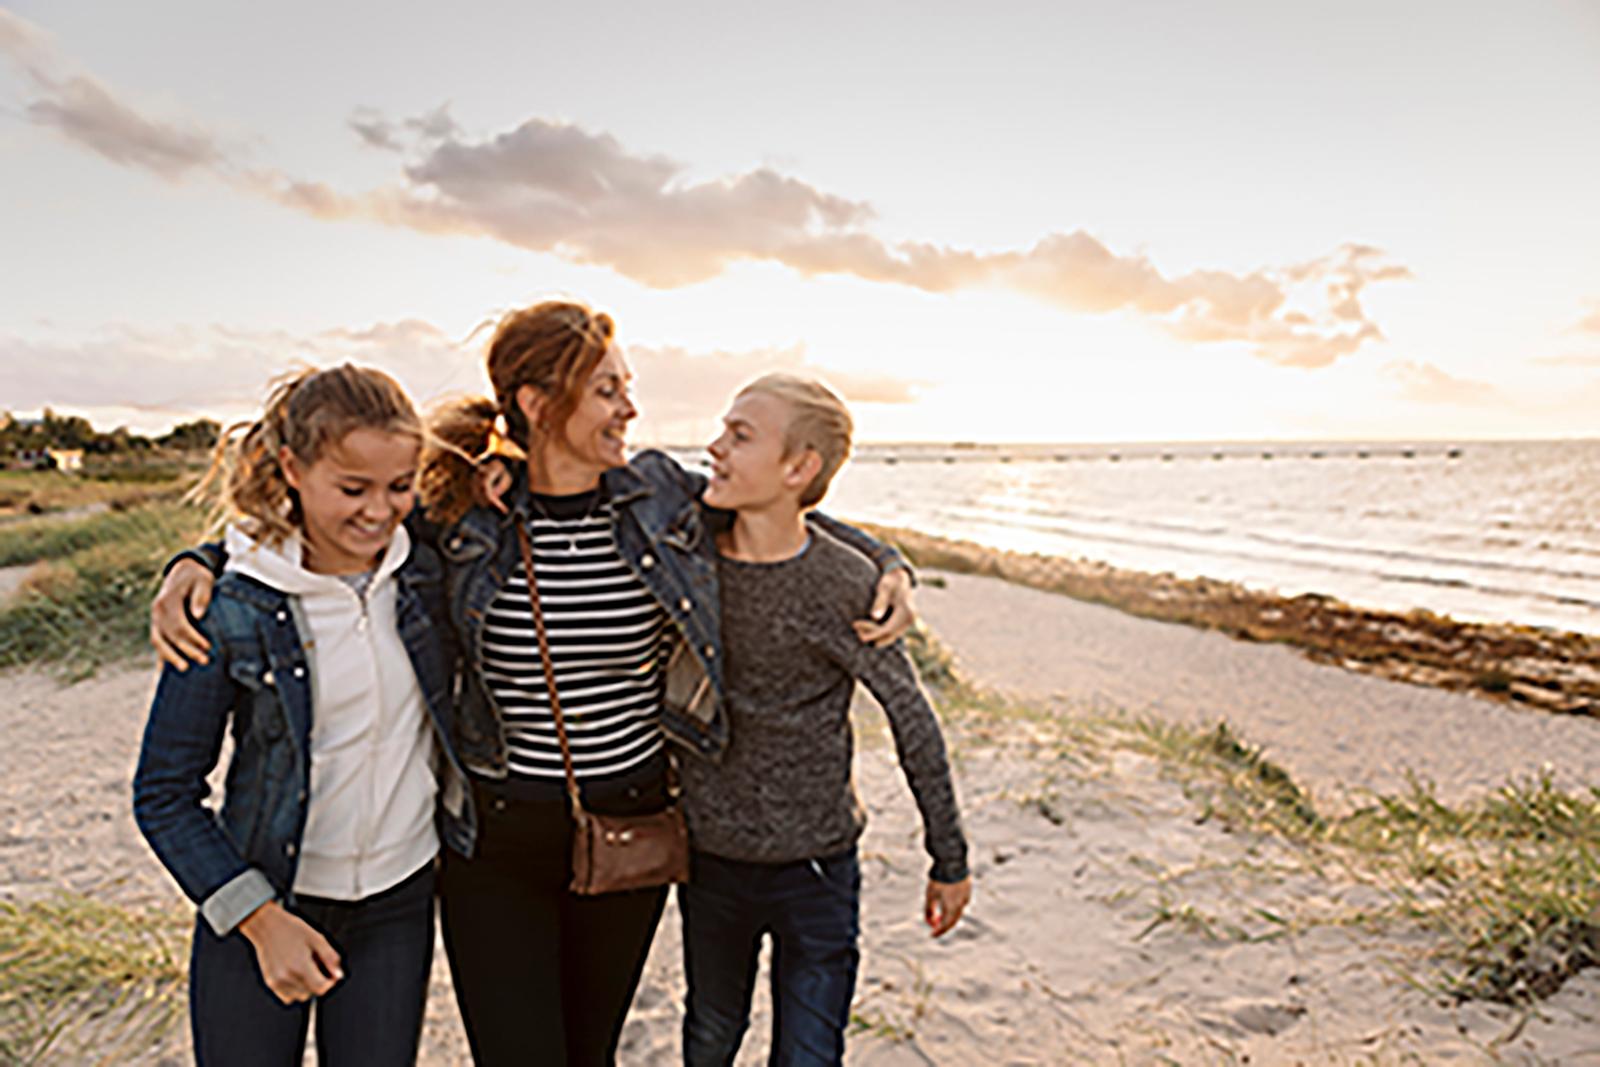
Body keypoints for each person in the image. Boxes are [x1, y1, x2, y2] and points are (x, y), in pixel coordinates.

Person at [149, 301, 918, 1066]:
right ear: (538, 403)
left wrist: (888, 562)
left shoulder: (658, 497)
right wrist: (203, 561)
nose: (631, 406)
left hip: (630, 830)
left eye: (628, 385)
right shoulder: (460, 514)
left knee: (589, 1051)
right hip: (495, 845)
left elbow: (777, 509)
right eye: (608, 389)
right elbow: (315, 530)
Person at [132, 365, 468, 1066]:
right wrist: (259, 921)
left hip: (397, 905)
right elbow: (165, 794)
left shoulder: (427, 574)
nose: (380, 511)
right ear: (292, 467)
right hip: (264, 901)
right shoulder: (230, 607)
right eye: (352, 488)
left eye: (400, 485)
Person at [679, 374, 972, 1065]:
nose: (714, 446)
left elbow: (912, 719)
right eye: (722, 429)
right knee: (711, 1035)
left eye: (740, 435)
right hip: (710, 862)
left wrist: (948, 855)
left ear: (799, 467)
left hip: (817, 868)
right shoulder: (687, 555)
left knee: (809, 1053)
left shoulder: (844, 584)